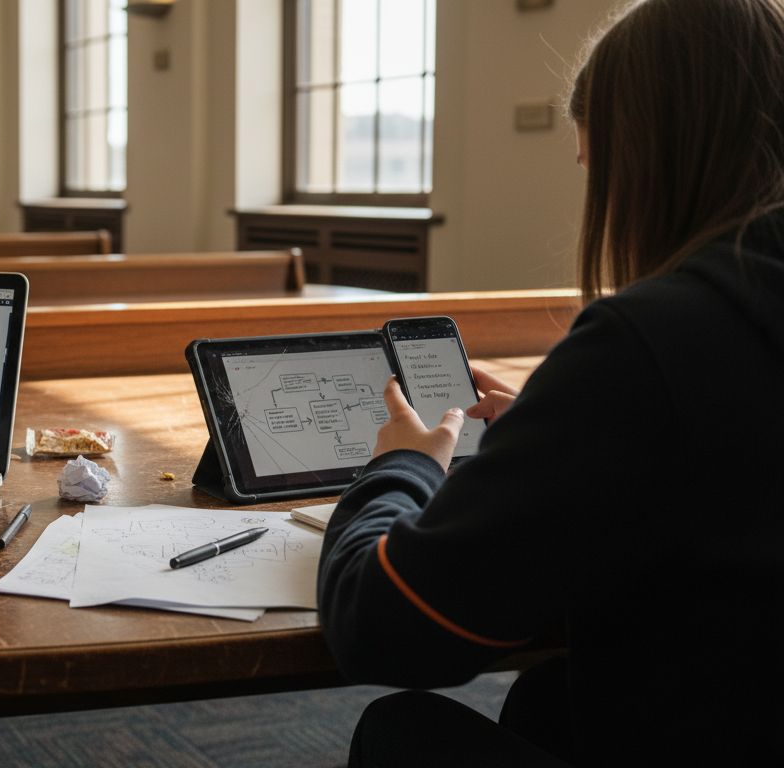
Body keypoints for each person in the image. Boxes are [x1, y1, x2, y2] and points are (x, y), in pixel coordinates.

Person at [316, 0, 784, 765]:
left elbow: (386, 628)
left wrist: (401, 465)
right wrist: (556, 434)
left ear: (647, 161)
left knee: (400, 735)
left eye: (598, 170)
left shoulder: (648, 339)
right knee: (546, 699)